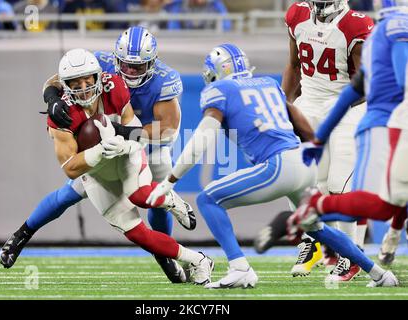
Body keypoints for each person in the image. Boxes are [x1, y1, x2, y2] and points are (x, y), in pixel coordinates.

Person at [0, 26, 192, 284]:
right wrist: (50, 97)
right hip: (110, 140)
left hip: (148, 144)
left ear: (152, 63)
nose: (130, 71)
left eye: (138, 67)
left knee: (153, 199)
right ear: (116, 58)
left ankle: (164, 254)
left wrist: (125, 131)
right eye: (125, 64)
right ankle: (22, 234)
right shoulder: (99, 63)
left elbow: (167, 130)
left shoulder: (164, 79)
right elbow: (57, 80)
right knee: (70, 192)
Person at [146, 43, 317, 289]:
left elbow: (200, 142)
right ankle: (373, 269)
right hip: (302, 158)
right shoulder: (268, 83)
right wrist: (317, 148)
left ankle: (239, 266)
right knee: (318, 224)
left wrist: (170, 180)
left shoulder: (220, 90)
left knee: (207, 198)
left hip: (277, 165)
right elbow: (301, 122)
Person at [255, 0, 374, 282]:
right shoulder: (296, 14)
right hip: (309, 102)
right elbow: (294, 66)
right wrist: (283, 106)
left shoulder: (356, 25)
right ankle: (318, 243)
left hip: (349, 105)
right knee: (303, 180)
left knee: (338, 186)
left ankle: (353, 255)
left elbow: (365, 85)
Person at [292, 0, 408, 273]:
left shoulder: (370, 28)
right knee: (313, 181)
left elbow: (358, 89)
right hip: (320, 105)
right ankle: (322, 238)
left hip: (363, 115)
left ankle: (347, 243)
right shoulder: (393, 29)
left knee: (362, 193)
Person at [164, 0, 231, 31]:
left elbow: (226, 25)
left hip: (209, 41)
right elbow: (173, 29)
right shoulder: (179, 5)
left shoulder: (215, 4)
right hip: (185, 42)